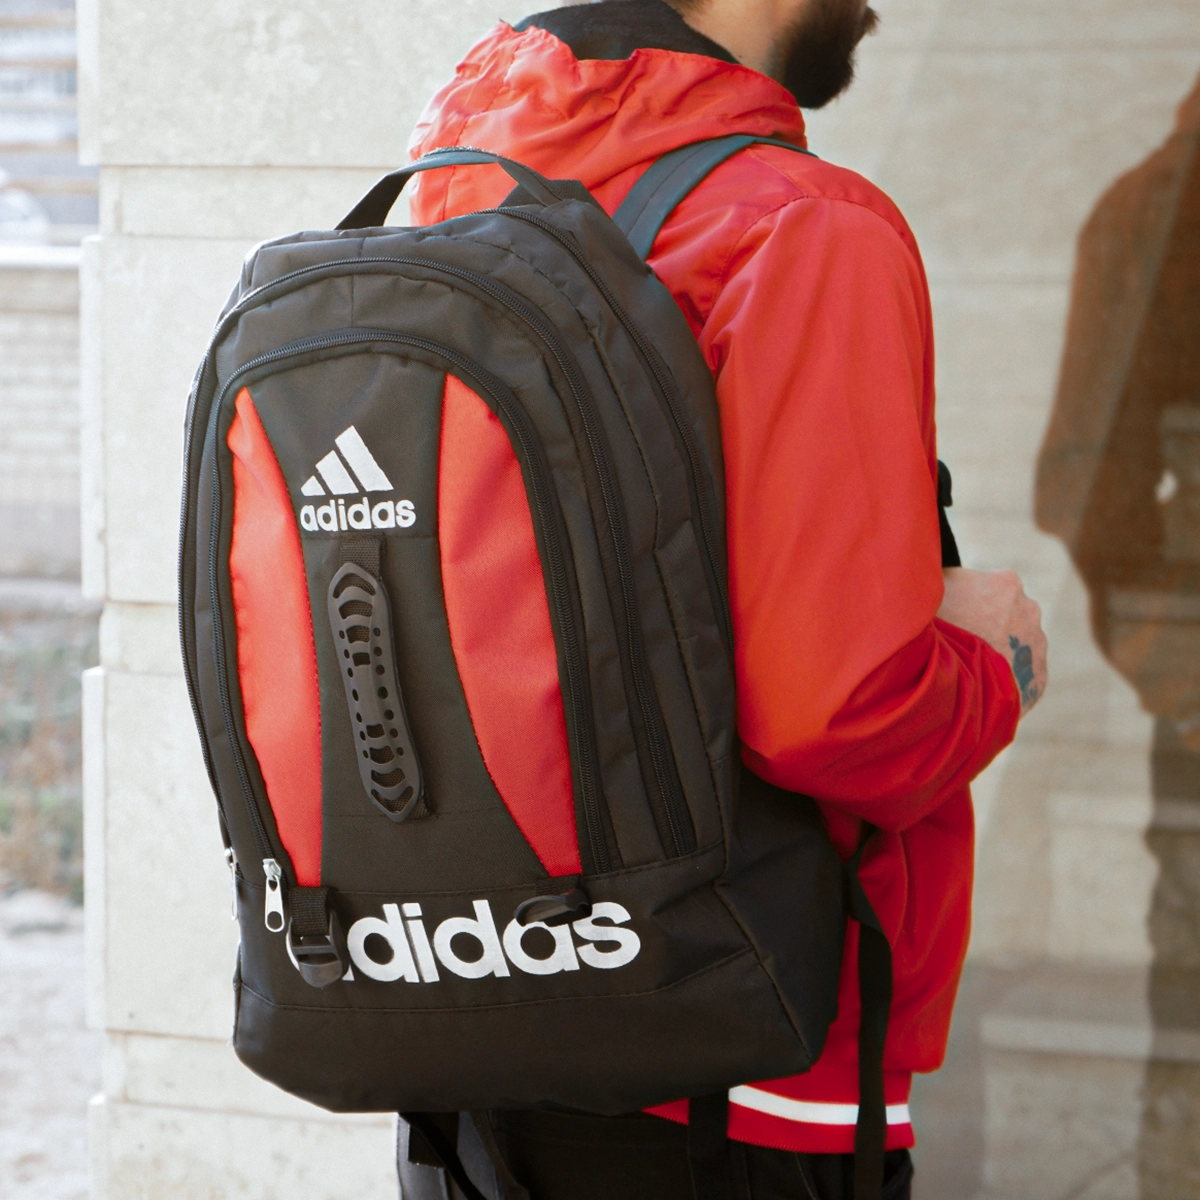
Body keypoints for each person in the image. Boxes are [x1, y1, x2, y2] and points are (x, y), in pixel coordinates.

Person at [398, 0, 1048, 1196]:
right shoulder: (801, 225)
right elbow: (836, 715)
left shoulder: (456, 190)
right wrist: (994, 664)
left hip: (470, 1029)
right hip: (737, 1069)